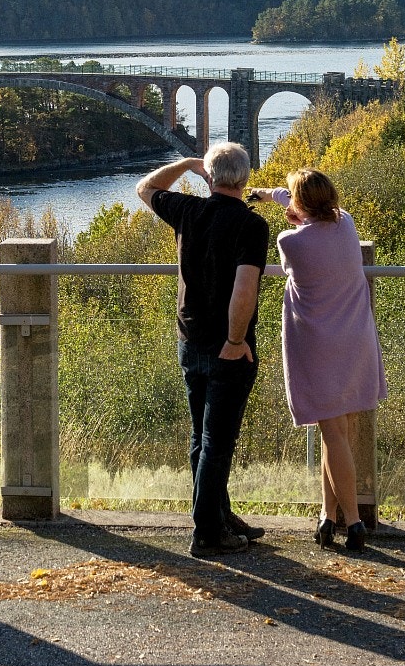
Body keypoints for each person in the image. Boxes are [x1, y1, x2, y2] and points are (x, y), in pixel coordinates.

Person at [137, 143, 269, 557]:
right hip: (225, 348)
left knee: (202, 437)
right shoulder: (251, 225)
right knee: (216, 441)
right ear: (245, 180)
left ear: (209, 179)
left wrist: (186, 164)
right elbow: (244, 288)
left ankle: (217, 514)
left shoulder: (188, 211)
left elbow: (145, 188)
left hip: (189, 341)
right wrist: (235, 340)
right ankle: (207, 532)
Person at [248, 168, 388, 552]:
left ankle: (354, 523)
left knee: (333, 433)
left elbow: (299, 254)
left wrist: (285, 211)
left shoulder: (289, 243)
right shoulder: (347, 224)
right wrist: (274, 196)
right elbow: (313, 212)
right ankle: (327, 517)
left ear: (300, 205)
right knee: (337, 432)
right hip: (355, 339)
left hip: (318, 344)